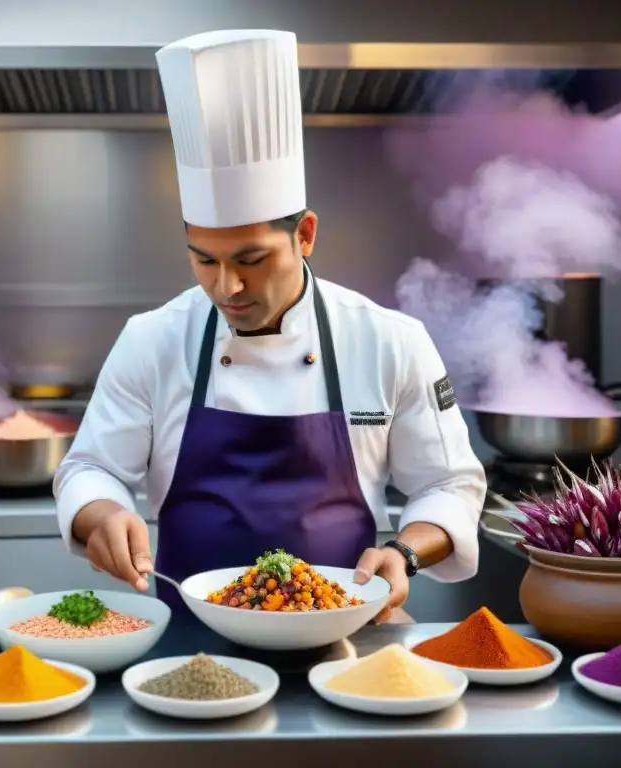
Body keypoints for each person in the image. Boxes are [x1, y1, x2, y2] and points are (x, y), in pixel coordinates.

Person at [54, 29, 487, 622]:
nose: (226, 286)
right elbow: (90, 468)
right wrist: (101, 514)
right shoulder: (152, 339)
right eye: (203, 259)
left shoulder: (389, 340)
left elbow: (449, 484)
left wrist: (405, 551)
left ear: (305, 235)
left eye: (251, 261)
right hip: (189, 637)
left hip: (348, 635)